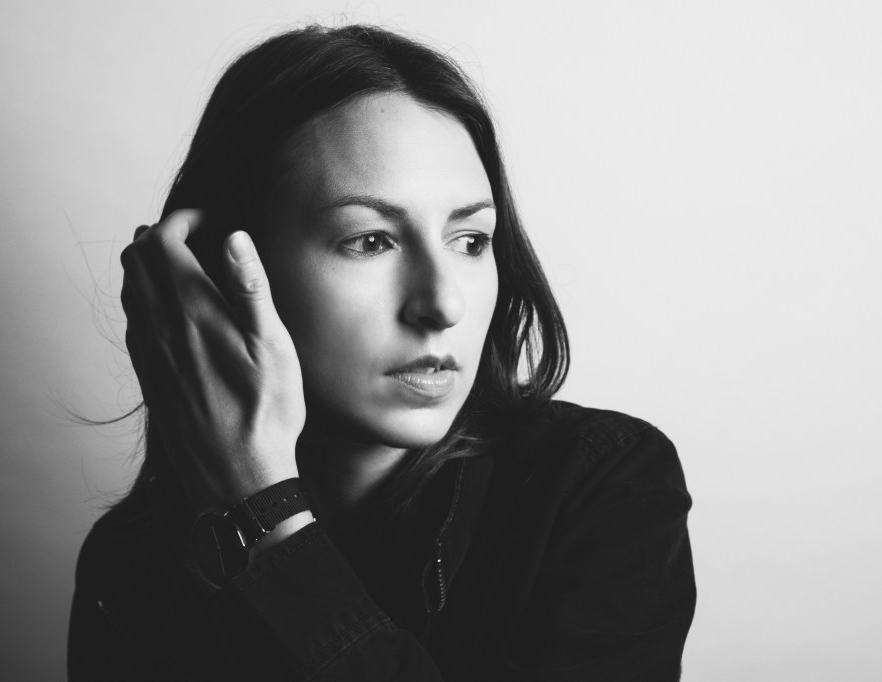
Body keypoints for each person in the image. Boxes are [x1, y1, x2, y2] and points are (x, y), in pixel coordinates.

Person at [68, 23, 696, 681]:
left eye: (471, 241)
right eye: (370, 241)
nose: (443, 304)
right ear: (217, 273)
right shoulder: (135, 569)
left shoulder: (600, 490)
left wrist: (263, 513)